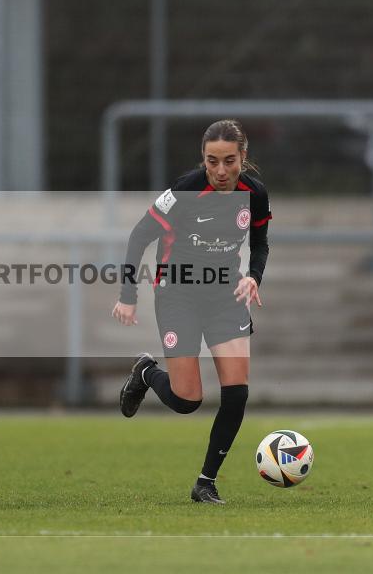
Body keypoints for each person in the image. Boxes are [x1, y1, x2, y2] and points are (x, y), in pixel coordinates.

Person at [112, 119, 271, 504]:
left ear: (243, 157)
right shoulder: (184, 191)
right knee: (187, 400)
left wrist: (253, 278)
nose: (220, 170)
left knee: (237, 392)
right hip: (178, 294)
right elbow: (139, 236)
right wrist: (127, 295)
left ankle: (206, 482)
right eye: (212, 161)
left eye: (229, 161)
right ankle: (146, 372)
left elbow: (261, 243)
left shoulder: (255, 194)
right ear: (203, 158)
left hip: (226, 295)